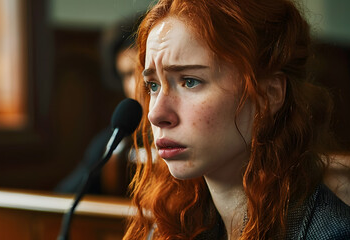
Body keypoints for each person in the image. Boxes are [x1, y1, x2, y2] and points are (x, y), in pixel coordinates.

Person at [124, 0, 350, 239]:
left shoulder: (333, 234)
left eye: (190, 81)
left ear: (269, 95)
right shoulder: (173, 224)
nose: (156, 114)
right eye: (153, 85)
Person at [55, 14, 142, 196]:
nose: (137, 84)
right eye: (127, 74)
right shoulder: (111, 140)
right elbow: (63, 198)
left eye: (144, 71)